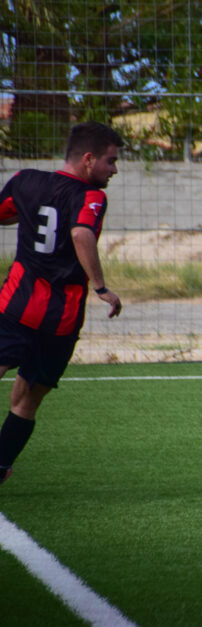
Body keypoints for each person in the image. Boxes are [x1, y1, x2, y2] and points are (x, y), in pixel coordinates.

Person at [0, 121, 125, 486]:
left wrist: (29, 213)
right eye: (111, 161)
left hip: (15, 306)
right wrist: (101, 288)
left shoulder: (25, 180)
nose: (114, 170)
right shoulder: (91, 197)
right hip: (60, 319)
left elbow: (4, 214)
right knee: (26, 402)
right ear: (88, 159)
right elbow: (81, 232)